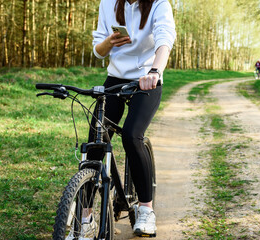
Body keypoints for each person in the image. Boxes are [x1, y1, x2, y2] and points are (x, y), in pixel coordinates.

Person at [86, 0, 176, 238]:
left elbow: (164, 39)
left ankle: (146, 209)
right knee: (95, 138)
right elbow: (97, 51)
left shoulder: (159, 4)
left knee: (132, 136)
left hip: (147, 79)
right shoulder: (108, 3)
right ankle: (85, 215)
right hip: (115, 78)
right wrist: (108, 42)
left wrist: (155, 71)